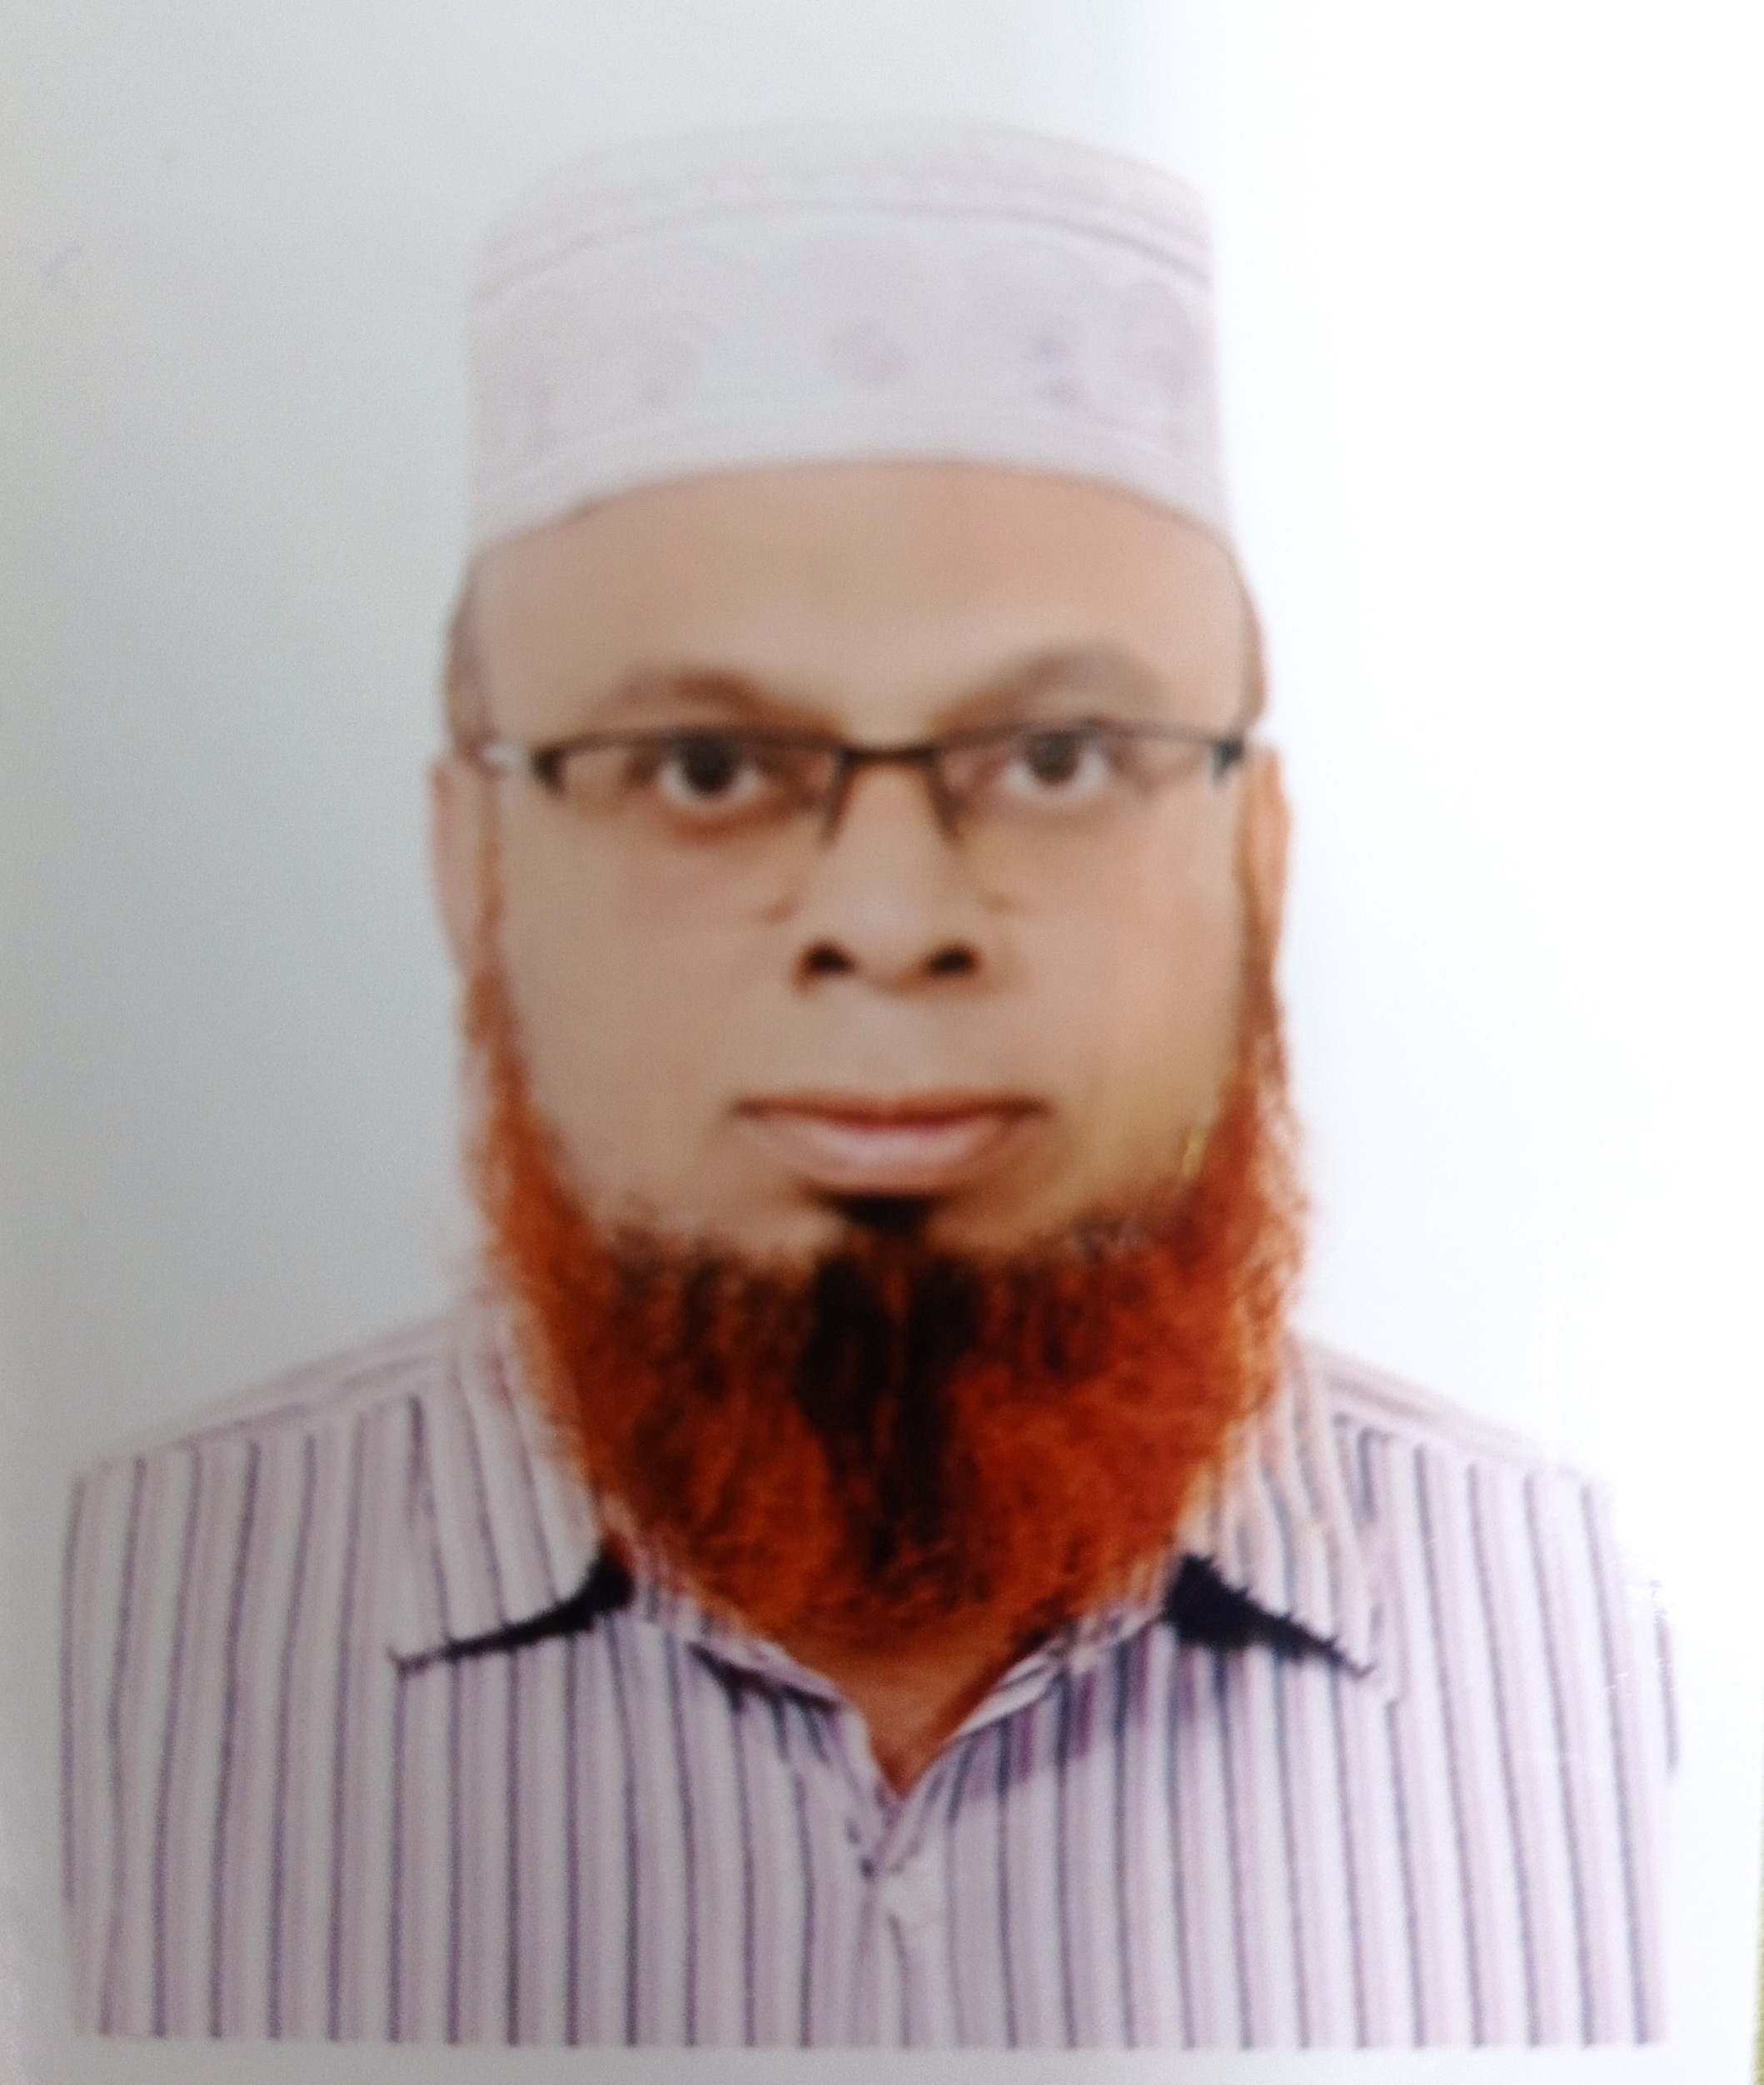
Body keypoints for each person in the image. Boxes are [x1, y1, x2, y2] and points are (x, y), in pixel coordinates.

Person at [59, 120, 1671, 2049]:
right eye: (708, 769)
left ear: (1259, 854)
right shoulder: (86, 1649)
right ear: (473, 866)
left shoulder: (1627, 1673)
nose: (891, 921)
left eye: (1060, 756)